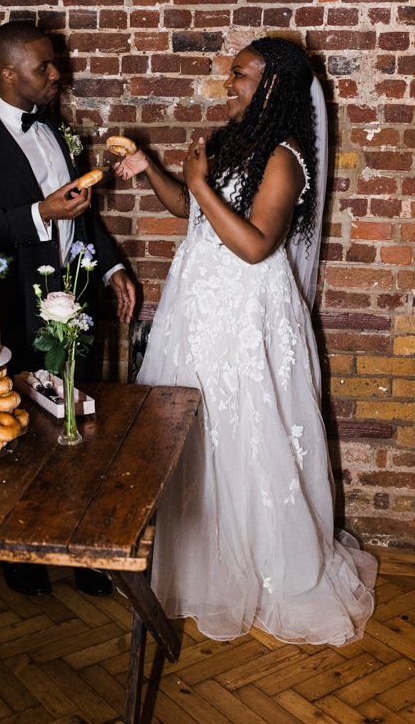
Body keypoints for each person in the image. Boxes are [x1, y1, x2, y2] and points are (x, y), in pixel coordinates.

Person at [114, 37, 377, 645]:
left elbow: (257, 244)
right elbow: (191, 209)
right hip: (198, 306)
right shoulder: (234, 141)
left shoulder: (284, 156)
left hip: (244, 312)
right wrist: (153, 169)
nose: (228, 85)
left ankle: (264, 568)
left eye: (241, 77)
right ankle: (200, 565)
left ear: (274, 87)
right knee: (193, 432)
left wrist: (200, 185)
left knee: (246, 429)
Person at [0, 19, 136, 598]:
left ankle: (84, 552)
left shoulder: (56, 128)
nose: (57, 74)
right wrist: (38, 214)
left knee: (82, 423)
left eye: (54, 63)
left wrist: (112, 266)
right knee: (24, 430)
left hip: (78, 297)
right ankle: (20, 549)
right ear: (6, 73)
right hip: (18, 308)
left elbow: (84, 214)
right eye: (44, 66)